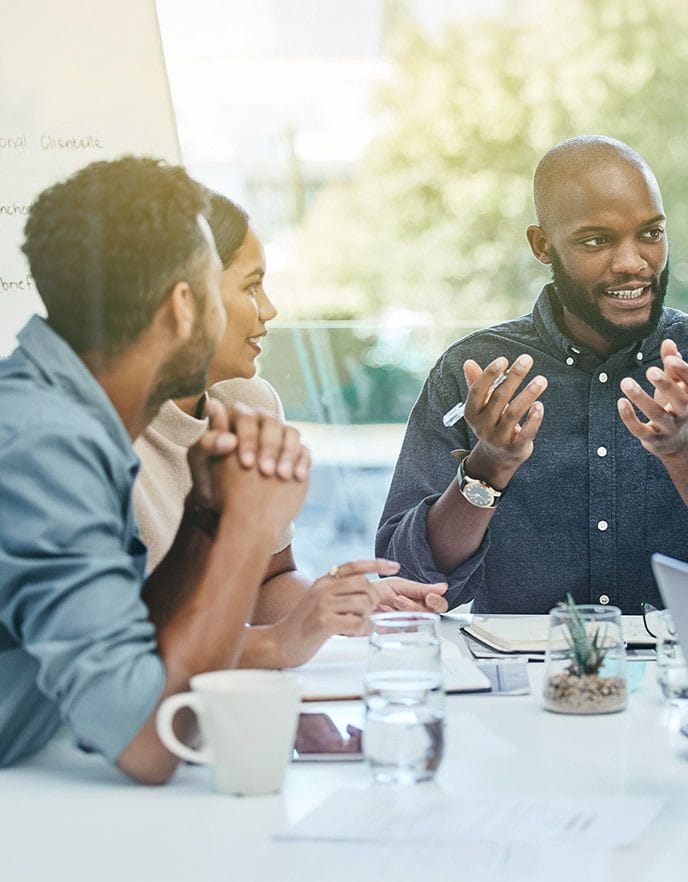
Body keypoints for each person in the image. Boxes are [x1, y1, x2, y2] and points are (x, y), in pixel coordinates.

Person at [0, 157, 395, 782]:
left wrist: (205, 518)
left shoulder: (60, 414)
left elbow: (135, 646)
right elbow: (151, 741)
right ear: (185, 306)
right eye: (226, 286)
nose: (262, 310)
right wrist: (244, 525)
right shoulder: (46, 445)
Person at [376, 136, 688, 614]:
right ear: (543, 245)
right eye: (597, 240)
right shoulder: (476, 374)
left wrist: (684, 450)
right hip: (524, 682)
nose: (633, 263)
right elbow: (407, 580)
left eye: (651, 234)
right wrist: (490, 465)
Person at [132, 191, 445, 668]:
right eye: (251, 286)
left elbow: (266, 583)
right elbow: (116, 654)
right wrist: (279, 643)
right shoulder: (89, 434)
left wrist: (340, 604)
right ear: (183, 294)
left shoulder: (248, 402)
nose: (269, 309)